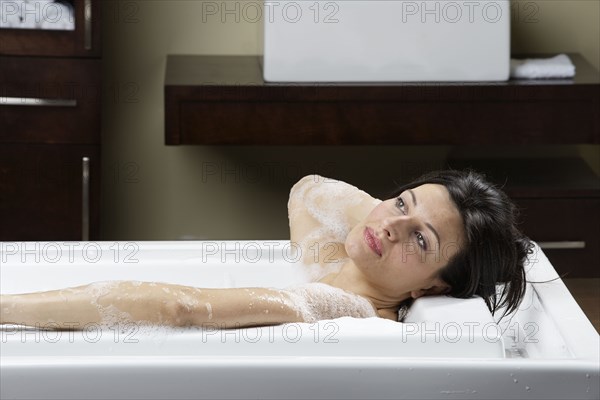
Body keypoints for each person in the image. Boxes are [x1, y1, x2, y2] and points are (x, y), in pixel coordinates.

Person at [0, 170, 532, 330]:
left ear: (433, 288)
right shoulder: (333, 267)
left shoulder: (343, 308)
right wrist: (399, 226)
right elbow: (310, 189)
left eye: (421, 240)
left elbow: (178, 307)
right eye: (400, 202)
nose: (392, 224)